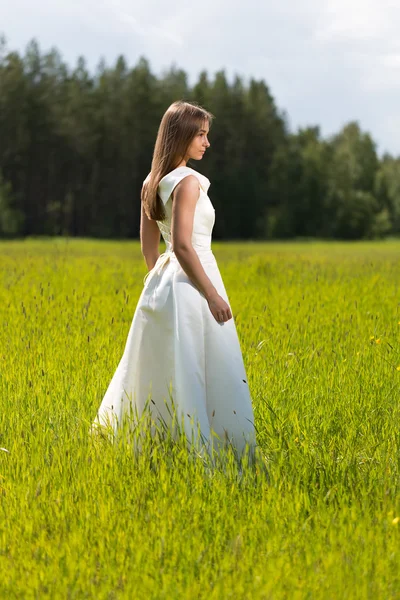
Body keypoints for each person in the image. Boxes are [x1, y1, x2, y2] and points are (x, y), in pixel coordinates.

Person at [91, 100, 259, 466]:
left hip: (165, 283)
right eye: (201, 134)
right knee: (205, 365)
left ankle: (156, 445)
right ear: (182, 135)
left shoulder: (152, 182)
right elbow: (183, 244)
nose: (206, 143)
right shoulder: (188, 183)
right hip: (194, 279)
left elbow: (149, 248)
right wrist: (210, 293)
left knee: (162, 366)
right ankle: (209, 450)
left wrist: (162, 283)